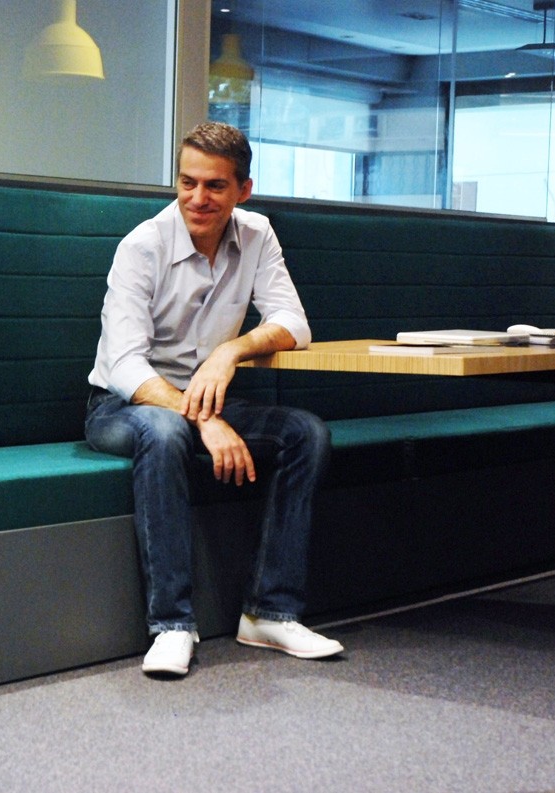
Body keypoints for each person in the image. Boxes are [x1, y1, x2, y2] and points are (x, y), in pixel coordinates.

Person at [85, 122, 343, 677]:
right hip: (122, 407)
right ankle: (172, 625)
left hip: (208, 402)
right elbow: (125, 365)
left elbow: (294, 324)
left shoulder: (257, 234)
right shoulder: (142, 247)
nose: (197, 198)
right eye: (187, 182)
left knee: (306, 433)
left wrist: (231, 352)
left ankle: (269, 612)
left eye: (215, 186)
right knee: (165, 431)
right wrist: (204, 419)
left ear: (243, 190)